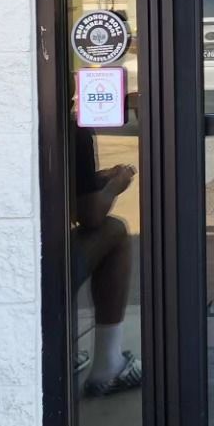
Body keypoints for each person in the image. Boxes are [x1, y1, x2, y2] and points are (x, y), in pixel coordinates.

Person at [72, 126, 140, 396]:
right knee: (113, 231)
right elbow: (90, 216)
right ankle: (108, 366)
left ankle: (59, 350)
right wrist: (114, 186)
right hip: (42, 269)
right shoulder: (72, 132)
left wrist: (95, 179)